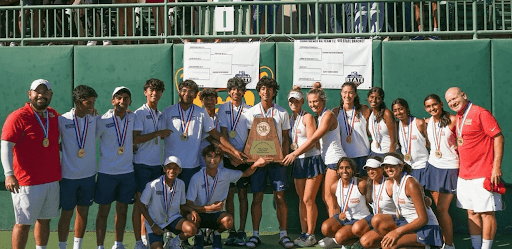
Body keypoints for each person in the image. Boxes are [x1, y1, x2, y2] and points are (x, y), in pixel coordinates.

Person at [2, 79, 61, 249]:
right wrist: (8, 174)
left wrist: (91, 112)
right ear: (30, 94)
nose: (41, 95)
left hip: (51, 180)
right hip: (26, 182)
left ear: (50, 95)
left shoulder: (53, 115)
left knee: (44, 220)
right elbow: (6, 145)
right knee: (23, 223)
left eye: (45, 92)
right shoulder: (17, 116)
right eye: (37, 91)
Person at [445, 87, 504, 249]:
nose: (452, 103)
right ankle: (476, 247)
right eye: (449, 101)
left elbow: (498, 138)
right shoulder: (458, 116)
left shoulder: (480, 113)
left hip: (483, 173)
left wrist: (496, 168)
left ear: (464, 95)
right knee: (471, 212)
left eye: (455, 98)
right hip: (464, 175)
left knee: (486, 213)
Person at [161, 79, 243, 190]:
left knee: (190, 201)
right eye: (184, 90)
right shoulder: (167, 112)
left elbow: (215, 134)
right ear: (179, 92)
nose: (187, 94)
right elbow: (158, 134)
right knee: (170, 199)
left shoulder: (201, 113)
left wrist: (234, 151)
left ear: (195, 95)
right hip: (171, 165)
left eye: (191, 92)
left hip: (192, 166)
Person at [186, 144, 271, 249]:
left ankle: (216, 234)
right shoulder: (196, 178)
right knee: (190, 217)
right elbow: (188, 205)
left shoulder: (225, 174)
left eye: (215, 156)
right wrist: (208, 208)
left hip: (217, 216)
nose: (212, 160)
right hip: (200, 214)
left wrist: (256, 164)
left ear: (221, 159)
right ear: (204, 158)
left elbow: (245, 173)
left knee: (229, 221)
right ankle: (199, 235)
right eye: (209, 156)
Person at [283, 82, 346, 220]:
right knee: (326, 197)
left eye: (316, 101)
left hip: (335, 160)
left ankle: (336, 235)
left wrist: (294, 153)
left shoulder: (328, 116)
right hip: (327, 160)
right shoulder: (319, 116)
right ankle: (334, 233)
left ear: (322, 100)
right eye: (311, 102)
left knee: (330, 198)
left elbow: (313, 140)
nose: (313, 105)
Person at [244, 77, 293, 249]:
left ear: (274, 92)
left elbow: (286, 138)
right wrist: (255, 160)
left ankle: (283, 234)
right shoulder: (250, 113)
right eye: (263, 88)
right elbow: (249, 139)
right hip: (258, 162)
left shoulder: (282, 112)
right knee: (257, 197)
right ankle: (255, 235)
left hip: (277, 163)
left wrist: (284, 158)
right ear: (259, 91)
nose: (266, 92)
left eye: (270, 89)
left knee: (280, 197)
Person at [132, 78, 172, 249]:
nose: (154, 93)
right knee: (139, 203)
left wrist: (160, 134)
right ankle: (138, 241)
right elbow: (135, 139)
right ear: (145, 92)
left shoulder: (160, 114)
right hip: (141, 164)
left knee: (152, 204)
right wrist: (158, 133)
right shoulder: (139, 113)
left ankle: (147, 236)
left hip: (157, 165)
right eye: (151, 90)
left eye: (158, 90)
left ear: (162, 93)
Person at [372, 153, 443, 249]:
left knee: (389, 246)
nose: (388, 169)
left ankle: (427, 246)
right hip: (408, 223)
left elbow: (423, 219)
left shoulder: (410, 183)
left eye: (392, 165)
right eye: (386, 167)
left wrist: (397, 232)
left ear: (401, 166)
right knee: (377, 220)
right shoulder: (395, 182)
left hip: (427, 228)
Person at [57, 85, 98, 249]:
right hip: (68, 177)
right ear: (78, 101)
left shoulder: (95, 118)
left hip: (88, 176)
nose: (92, 106)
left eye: (93, 102)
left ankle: (77, 247)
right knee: (66, 214)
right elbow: (55, 143)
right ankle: (62, 246)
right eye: (88, 103)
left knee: (83, 213)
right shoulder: (62, 120)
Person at [95, 86, 136, 249]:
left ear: (130, 102)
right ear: (113, 101)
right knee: (103, 212)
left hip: (127, 173)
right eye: (118, 98)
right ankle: (100, 246)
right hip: (107, 173)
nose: (122, 101)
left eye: (126, 98)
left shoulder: (133, 117)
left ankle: (118, 244)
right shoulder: (102, 120)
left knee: (122, 210)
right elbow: (89, 141)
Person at [285, 86, 324, 247]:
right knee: (302, 200)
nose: (294, 103)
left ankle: (311, 234)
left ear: (302, 101)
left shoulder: (307, 117)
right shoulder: (289, 118)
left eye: (297, 100)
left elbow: (312, 141)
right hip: (298, 162)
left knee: (308, 199)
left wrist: (294, 154)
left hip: (311, 160)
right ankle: (304, 233)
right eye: (291, 100)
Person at [218, 77, 252, 246]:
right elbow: (223, 134)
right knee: (229, 196)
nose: (236, 92)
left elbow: (252, 136)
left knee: (243, 196)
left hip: (245, 159)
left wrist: (243, 155)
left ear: (244, 92)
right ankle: (231, 231)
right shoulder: (223, 109)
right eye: (233, 89)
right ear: (229, 91)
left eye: (239, 89)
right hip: (228, 158)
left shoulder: (249, 110)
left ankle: (242, 231)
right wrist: (232, 155)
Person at [138, 156, 198, 249]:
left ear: (180, 170)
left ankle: (174, 242)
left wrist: (192, 210)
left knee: (192, 229)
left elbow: (182, 205)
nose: (172, 170)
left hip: (172, 218)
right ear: (164, 169)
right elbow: (141, 205)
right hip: (155, 222)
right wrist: (152, 225)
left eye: (175, 168)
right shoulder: (153, 185)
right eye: (169, 167)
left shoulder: (181, 184)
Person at [423, 93, 458, 249]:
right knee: (439, 210)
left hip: (450, 168)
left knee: (442, 209)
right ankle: (444, 241)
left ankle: (449, 245)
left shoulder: (453, 120)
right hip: (433, 167)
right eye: (429, 106)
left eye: (434, 105)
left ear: (441, 104)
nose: (432, 108)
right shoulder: (427, 122)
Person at [318, 157, 371, 248]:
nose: (344, 170)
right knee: (326, 228)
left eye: (348, 167)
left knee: (339, 238)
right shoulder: (334, 187)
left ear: (353, 170)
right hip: (346, 218)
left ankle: (359, 240)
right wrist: (337, 223)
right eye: (341, 168)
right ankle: (348, 240)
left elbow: (370, 205)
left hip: (361, 219)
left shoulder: (361, 184)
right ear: (338, 171)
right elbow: (335, 208)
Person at [355, 156, 397, 248]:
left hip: (393, 220)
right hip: (377, 219)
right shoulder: (369, 184)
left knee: (376, 221)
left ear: (382, 169)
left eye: (373, 168)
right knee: (357, 229)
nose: (370, 172)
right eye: (368, 169)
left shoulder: (390, 183)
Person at [332, 82, 371, 176]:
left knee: (363, 186)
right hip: (344, 157)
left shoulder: (363, 109)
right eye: (345, 92)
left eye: (350, 92)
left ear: (355, 94)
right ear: (341, 93)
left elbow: (370, 131)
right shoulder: (336, 112)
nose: (347, 95)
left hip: (362, 155)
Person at [391, 98, 429, 187]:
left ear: (407, 109)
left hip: (422, 166)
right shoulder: (396, 125)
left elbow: (429, 143)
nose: (398, 112)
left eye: (401, 109)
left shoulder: (419, 123)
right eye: (395, 110)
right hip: (407, 167)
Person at [367, 87, 397, 157]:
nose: (374, 100)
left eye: (378, 98)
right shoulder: (370, 114)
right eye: (372, 97)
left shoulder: (387, 113)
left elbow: (394, 140)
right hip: (374, 152)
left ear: (382, 100)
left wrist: (390, 157)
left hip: (387, 152)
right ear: (368, 98)